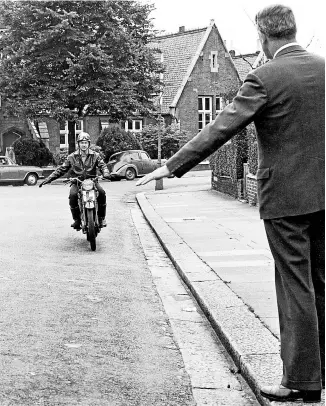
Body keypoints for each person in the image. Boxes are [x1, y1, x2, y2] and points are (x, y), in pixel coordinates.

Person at [137, 4, 324, 403]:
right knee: (321, 283)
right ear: (293, 30)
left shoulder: (265, 77)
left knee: (295, 286)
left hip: (286, 200)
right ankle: (318, 373)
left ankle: (301, 381)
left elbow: (222, 127)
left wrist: (171, 166)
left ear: (263, 35)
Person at [39, 132, 111, 229]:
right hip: (77, 182)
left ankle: (102, 218)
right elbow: (61, 169)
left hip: (92, 181)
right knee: (72, 196)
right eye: (82, 143)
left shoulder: (95, 155)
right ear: (79, 144)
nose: (84, 145)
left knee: (102, 193)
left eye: (86, 142)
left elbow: (103, 166)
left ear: (89, 144)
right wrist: (49, 179)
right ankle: (77, 220)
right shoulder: (72, 157)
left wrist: (106, 173)